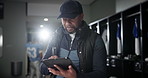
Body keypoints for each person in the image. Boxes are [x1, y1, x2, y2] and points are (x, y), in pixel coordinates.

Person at [40, 0, 107, 78]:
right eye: (64, 19)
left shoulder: (95, 39)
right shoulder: (56, 36)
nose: (67, 23)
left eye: (71, 18)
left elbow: (101, 74)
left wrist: (76, 77)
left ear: (81, 17)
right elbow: (42, 68)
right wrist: (52, 64)